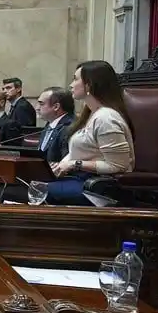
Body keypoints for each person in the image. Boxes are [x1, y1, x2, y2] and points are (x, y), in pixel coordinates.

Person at [47, 61, 135, 205]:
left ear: (89, 85)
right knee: (22, 183)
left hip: (98, 188)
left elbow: (119, 166)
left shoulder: (106, 118)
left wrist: (74, 164)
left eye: (75, 79)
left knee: (26, 190)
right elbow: (81, 150)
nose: (71, 85)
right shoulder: (90, 114)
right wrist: (59, 165)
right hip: (79, 179)